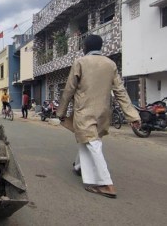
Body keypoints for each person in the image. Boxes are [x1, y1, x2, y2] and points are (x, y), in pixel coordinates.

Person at [57, 34, 141, 199]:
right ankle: (79, 167)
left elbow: (69, 90)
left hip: (84, 111)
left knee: (93, 143)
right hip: (103, 113)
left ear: (85, 47)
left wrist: (61, 112)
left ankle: (105, 184)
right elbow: (120, 92)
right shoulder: (110, 64)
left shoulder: (80, 62)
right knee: (89, 139)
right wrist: (133, 116)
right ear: (100, 47)